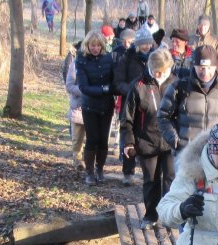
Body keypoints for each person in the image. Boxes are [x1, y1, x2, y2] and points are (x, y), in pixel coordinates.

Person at [122, 48, 175, 227]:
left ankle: (168, 215)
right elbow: (127, 119)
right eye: (157, 71)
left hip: (170, 142)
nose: (160, 74)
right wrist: (129, 142)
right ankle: (151, 215)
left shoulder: (176, 83)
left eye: (164, 71)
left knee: (170, 178)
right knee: (151, 180)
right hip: (146, 141)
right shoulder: (139, 86)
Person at [157, 46, 218, 154]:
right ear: (194, 66)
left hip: (216, 154)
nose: (205, 72)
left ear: (215, 67)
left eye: (209, 67)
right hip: (186, 153)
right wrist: (174, 139)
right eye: (201, 67)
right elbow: (163, 116)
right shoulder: (179, 87)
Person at [75, 30, 115, 186]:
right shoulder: (81, 60)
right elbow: (84, 87)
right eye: (93, 45)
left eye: (98, 45)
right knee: (92, 139)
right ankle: (89, 172)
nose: (96, 48)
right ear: (87, 45)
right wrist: (104, 90)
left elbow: (114, 81)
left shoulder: (108, 59)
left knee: (103, 139)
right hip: (90, 106)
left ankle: (100, 169)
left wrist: (112, 89)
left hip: (106, 106)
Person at [114, 27, 153, 184]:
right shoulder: (127, 58)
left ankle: (148, 172)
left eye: (149, 44)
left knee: (148, 137)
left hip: (149, 104)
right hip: (130, 104)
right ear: (137, 44)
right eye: (144, 44)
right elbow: (117, 83)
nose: (147, 47)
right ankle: (128, 173)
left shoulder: (154, 58)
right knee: (129, 138)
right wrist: (131, 90)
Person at [65, 55, 85, 171]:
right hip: (78, 107)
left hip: (93, 107)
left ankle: (90, 161)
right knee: (77, 139)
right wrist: (84, 90)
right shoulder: (75, 64)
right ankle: (77, 160)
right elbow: (69, 85)